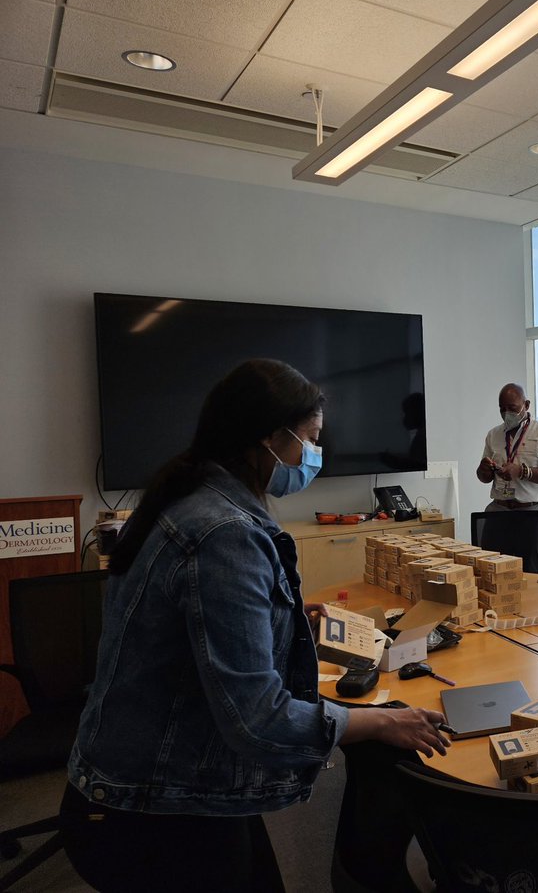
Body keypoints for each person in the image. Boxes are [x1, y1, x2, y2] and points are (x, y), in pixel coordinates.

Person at [60, 359, 450, 893]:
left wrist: (280, 621)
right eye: (310, 440)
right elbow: (256, 719)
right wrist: (379, 723)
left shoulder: (192, 497)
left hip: (155, 781)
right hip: (153, 806)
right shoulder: (224, 531)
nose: (314, 456)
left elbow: (192, 635)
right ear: (270, 438)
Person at [476, 382, 538, 511]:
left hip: (531, 510)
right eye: (502, 409)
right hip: (499, 508)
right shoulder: (493, 434)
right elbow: (484, 478)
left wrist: (522, 471)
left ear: (526, 405)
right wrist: (483, 470)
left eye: (512, 408)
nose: (507, 413)